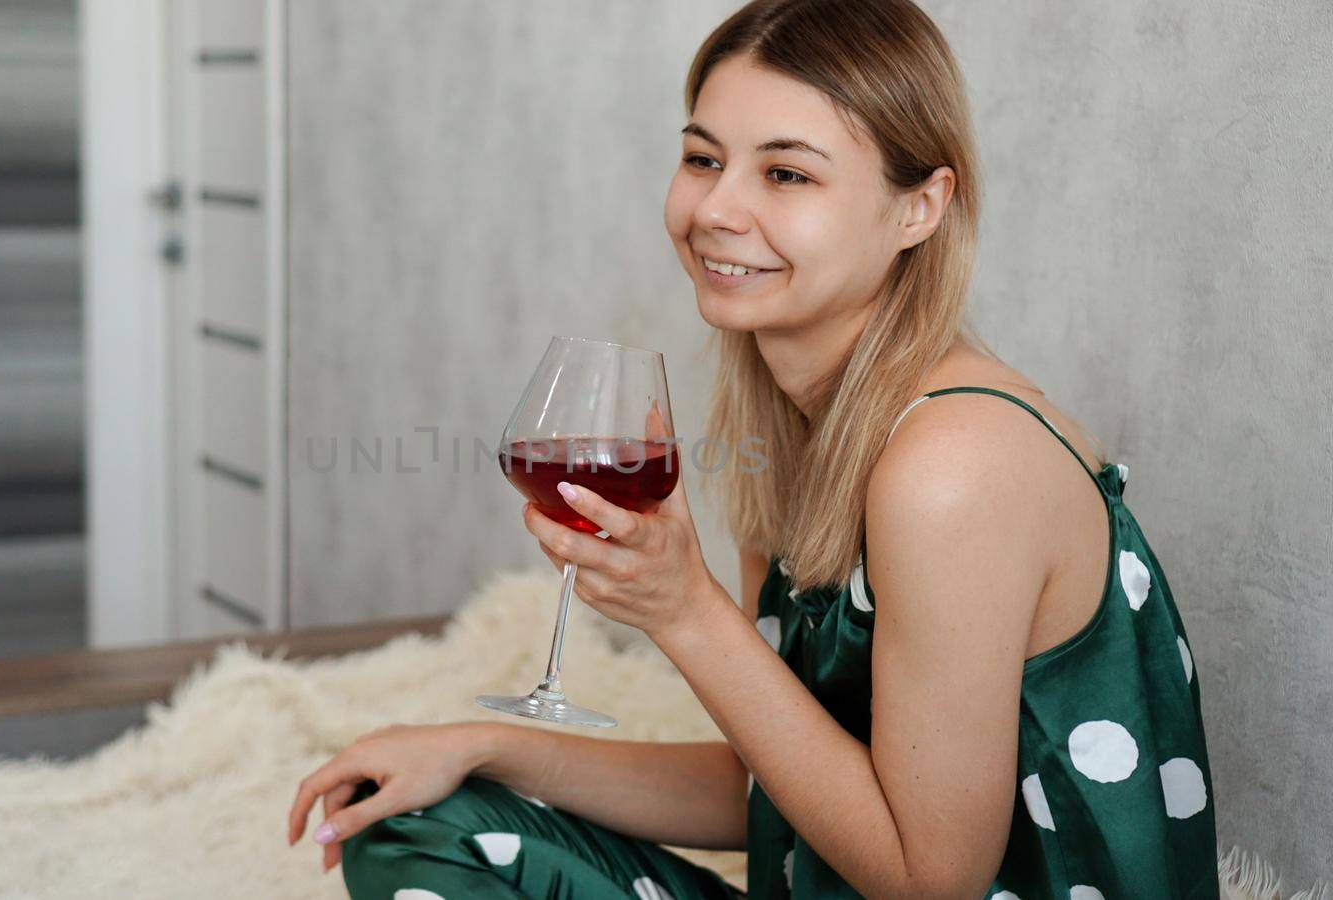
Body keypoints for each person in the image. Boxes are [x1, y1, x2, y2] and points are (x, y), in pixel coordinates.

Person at [288, 0, 1220, 896]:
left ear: (919, 209)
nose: (716, 211)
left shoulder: (953, 463)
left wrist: (685, 611)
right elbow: (782, 786)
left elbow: (934, 879)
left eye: (786, 174)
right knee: (418, 827)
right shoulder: (795, 435)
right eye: (703, 159)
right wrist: (485, 749)